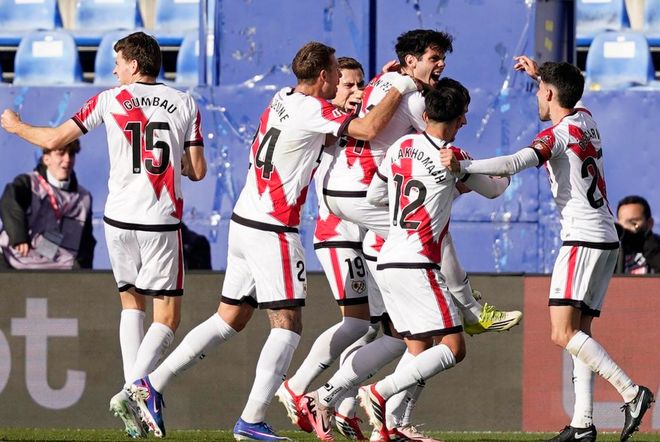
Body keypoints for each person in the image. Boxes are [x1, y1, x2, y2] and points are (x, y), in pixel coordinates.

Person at [124, 41, 418, 441]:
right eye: (336, 73)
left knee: (229, 318)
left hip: (244, 220)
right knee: (288, 326)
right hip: (273, 228)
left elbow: (329, 135)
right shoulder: (314, 109)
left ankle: (151, 385)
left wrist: (375, 90)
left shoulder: (282, 97)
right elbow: (365, 130)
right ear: (323, 76)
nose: (340, 79)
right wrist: (398, 87)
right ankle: (252, 419)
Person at [296, 30, 519, 442]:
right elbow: (490, 184)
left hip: (377, 236)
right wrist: (476, 175)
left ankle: (372, 418)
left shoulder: (398, 129)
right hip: (406, 251)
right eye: (435, 58)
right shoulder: (438, 139)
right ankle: (467, 315)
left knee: (410, 343)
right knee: (448, 343)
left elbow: (382, 190)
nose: (441, 64)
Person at [0, 31, 207, 439]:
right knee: (167, 316)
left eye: (117, 63)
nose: (113, 70)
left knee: (131, 303)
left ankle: (135, 396)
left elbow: (54, 139)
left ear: (134, 64)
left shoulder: (109, 100)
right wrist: (177, 163)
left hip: (118, 221)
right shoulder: (185, 102)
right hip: (159, 219)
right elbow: (197, 170)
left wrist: (16, 125)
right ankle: (135, 392)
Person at [441, 56, 654, 442]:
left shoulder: (556, 136)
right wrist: (540, 74)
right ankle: (582, 424)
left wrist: (463, 165)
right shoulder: (586, 120)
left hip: (582, 240)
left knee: (561, 332)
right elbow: (568, 94)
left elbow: (513, 163)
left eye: (540, 91)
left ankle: (631, 392)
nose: (537, 97)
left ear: (551, 94)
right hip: (606, 239)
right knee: (579, 332)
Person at [275, 56, 375, 441]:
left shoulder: (356, 119)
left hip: (366, 235)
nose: (356, 91)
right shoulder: (325, 121)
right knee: (359, 322)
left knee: (372, 328)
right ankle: (298, 388)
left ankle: (343, 408)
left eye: (361, 84)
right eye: (348, 84)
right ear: (332, 86)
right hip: (337, 233)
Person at [0, 140, 96, 270]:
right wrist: (19, 237)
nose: (67, 159)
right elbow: (10, 203)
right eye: (61, 153)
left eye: (71, 154)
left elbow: (86, 244)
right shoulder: (28, 183)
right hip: (12, 261)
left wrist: (84, 276)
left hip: (55, 271)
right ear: (46, 159)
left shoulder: (84, 198)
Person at [615, 195, 660, 274]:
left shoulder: (656, 246)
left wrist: (650, 247)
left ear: (650, 223)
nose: (626, 227)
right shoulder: (613, 252)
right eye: (622, 223)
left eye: (633, 222)